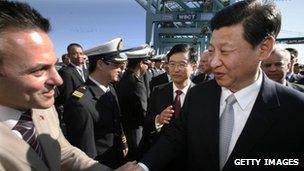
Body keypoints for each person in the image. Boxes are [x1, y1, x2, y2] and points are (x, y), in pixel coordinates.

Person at [135, 0, 304, 171]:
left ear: (264, 48)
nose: (214, 62)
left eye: (225, 51)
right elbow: (174, 138)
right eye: (212, 50)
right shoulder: (198, 96)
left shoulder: (296, 109)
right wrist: (142, 167)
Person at [0, 1, 136, 170]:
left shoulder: (44, 109)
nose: (58, 80)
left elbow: (64, 152)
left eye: (53, 65)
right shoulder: (79, 101)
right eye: (39, 70)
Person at [63, 38, 129, 169]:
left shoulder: (110, 89)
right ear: (100, 64)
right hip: (99, 164)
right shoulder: (80, 102)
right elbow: (86, 148)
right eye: (116, 65)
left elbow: (117, 121)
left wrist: (123, 143)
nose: (120, 69)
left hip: (115, 157)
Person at [138, 44, 196, 171]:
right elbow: (146, 126)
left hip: (191, 161)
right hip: (161, 162)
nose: (175, 69)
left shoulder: (202, 95)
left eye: (182, 64)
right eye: (172, 64)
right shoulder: (158, 91)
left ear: (193, 66)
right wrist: (158, 120)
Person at [116, 46, 154, 160]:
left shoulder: (125, 77)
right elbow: (143, 112)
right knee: (137, 158)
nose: (147, 67)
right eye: (146, 63)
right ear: (141, 63)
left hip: (126, 128)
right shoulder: (137, 83)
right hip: (136, 130)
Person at [56, 43, 89, 107]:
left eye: (81, 53)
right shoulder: (65, 72)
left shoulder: (86, 70)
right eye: (75, 54)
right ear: (68, 56)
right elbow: (68, 98)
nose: (79, 56)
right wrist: (86, 87)